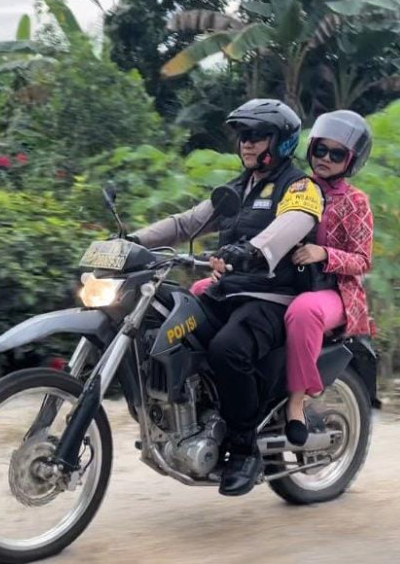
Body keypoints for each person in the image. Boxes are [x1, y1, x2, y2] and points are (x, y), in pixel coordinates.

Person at [129, 98, 324, 496]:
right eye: (242, 136)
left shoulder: (301, 186)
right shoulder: (236, 189)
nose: (247, 144)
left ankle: (244, 447)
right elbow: (187, 223)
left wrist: (254, 249)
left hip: (272, 297)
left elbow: (293, 223)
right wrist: (132, 240)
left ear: (282, 142)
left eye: (256, 136)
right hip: (227, 293)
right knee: (162, 328)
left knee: (227, 349)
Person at [281, 110, 374, 445]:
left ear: (351, 160)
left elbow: (363, 261)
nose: (325, 159)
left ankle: (298, 399)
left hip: (335, 292)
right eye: (321, 150)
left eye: (337, 154)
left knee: (305, 311)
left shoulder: (356, 201)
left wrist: (325, 254)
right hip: (285, 281)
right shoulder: (294, 186)